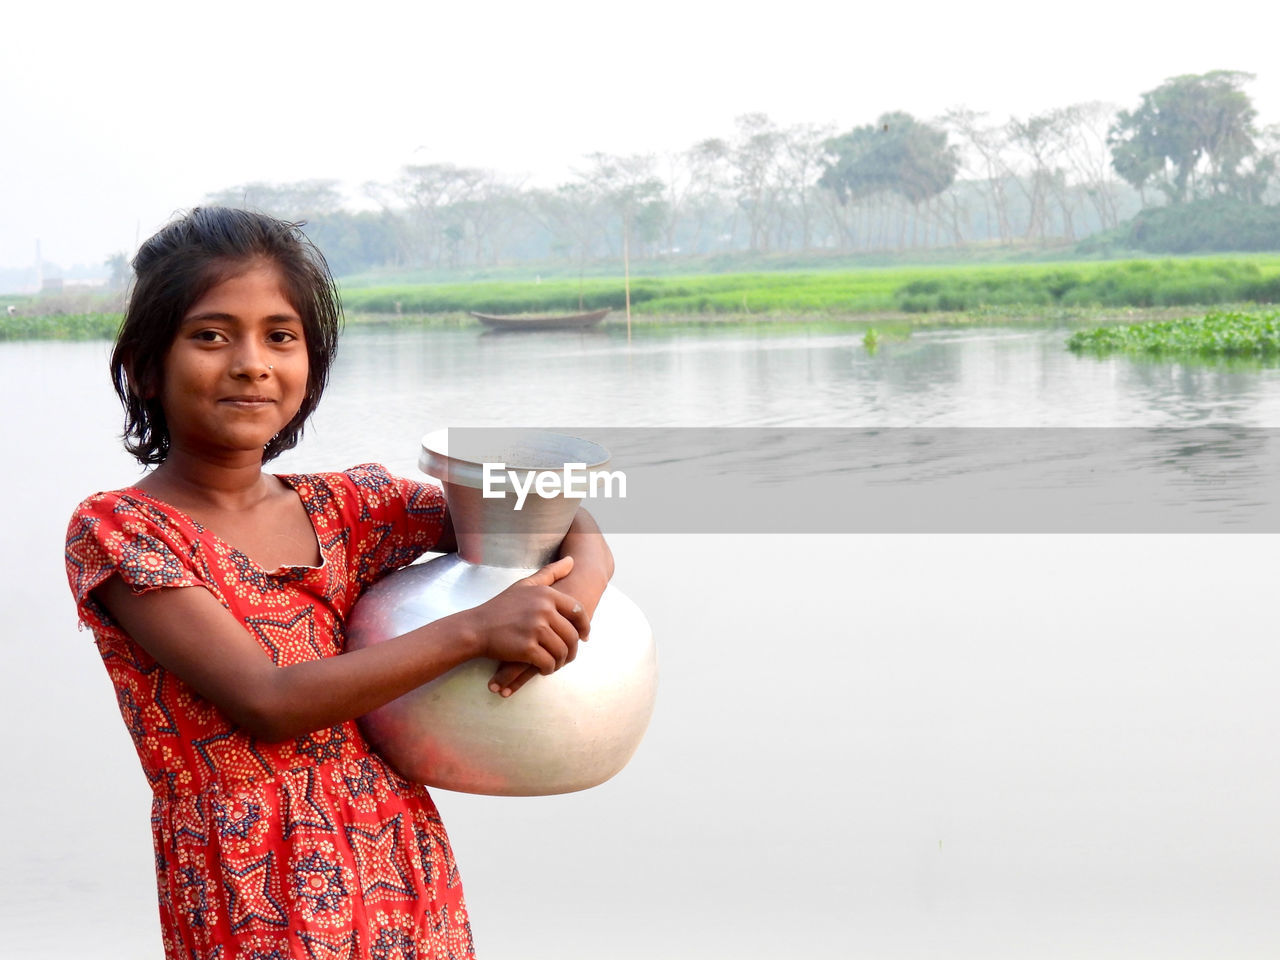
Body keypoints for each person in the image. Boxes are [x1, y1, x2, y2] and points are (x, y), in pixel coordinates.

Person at [63, 207, 613, 959]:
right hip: (251, 890)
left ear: (310, 367)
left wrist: (581, 589)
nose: (251, 362)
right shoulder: (125, 529)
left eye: (280, 337)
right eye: (211, 335)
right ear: (145, 368)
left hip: (400, 863)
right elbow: (269, 703)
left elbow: (544, 508)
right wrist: (477, 629)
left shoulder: (350, 508)